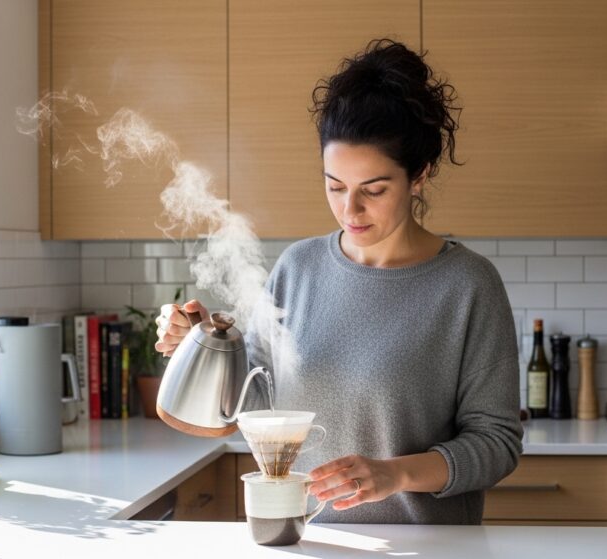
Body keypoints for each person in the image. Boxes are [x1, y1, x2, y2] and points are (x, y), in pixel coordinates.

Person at [156, 39, 522, 525]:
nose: (350, 210)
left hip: (427, 547)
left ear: (419, 176)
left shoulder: (467, 285)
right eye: (335, 186)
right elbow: (251, 410)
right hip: (308, 541)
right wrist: (202, 350)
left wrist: (396, 474)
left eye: (374, 189)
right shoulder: (298, 269)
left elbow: (496, 443)